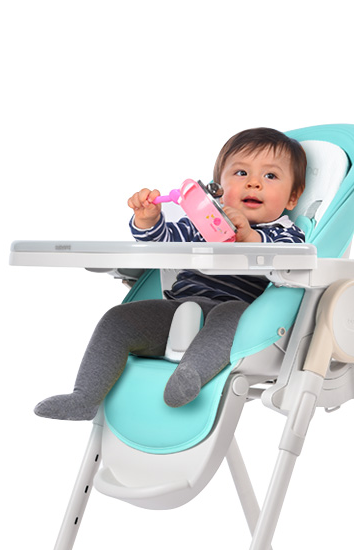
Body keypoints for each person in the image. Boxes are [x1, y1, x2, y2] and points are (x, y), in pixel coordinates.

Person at [35, 128, 307, 420]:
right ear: (217, 188)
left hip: (236, 315)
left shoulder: (286, 233)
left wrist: (249, 238)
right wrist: (149, 220)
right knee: (118, 318)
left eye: (270, 176)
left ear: (292, 197)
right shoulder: (206, 222)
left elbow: (291, 257)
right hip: (179, 308)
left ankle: (189, 376)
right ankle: (85, 397)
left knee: (231, 314)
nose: (253, 183)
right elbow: (162, 243)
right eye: (241, 173)